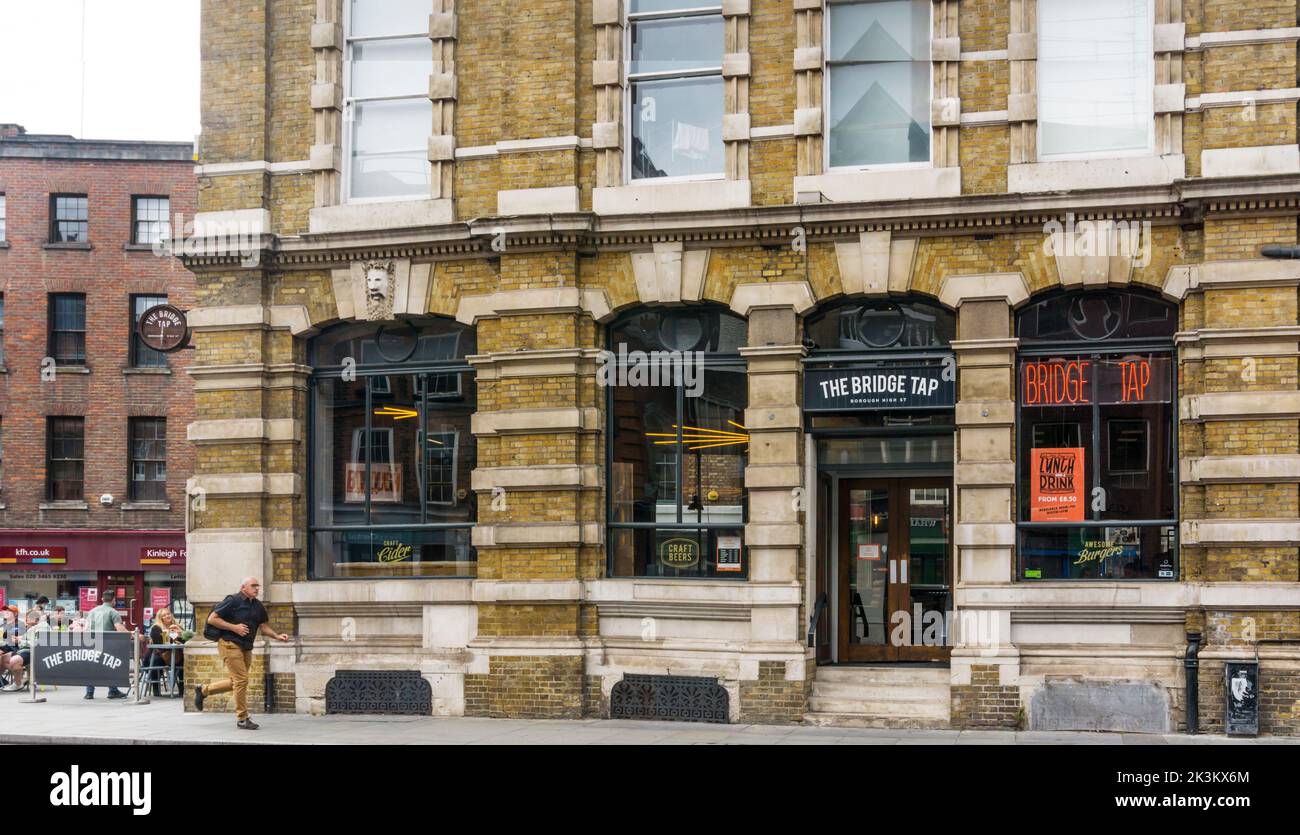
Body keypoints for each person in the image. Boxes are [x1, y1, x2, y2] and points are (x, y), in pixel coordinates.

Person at [195, 577, 288, 730]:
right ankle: (242, 718)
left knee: (236, 681)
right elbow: (212, 619)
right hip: (229, 644)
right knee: (242, 681)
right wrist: (234, 627)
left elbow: (263, 627)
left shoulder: (258, 606)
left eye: (258, 586)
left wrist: (277, 636)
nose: (257, 588)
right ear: (243, 587)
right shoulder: (233, 601)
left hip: (246, 647)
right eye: (253, 586)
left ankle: (204, 690)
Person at [84, 590, 129, 700]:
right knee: (111, 665)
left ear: (102, 599)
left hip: (92, 642)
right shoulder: (113, 612)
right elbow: (120, 629)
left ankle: (89, 692)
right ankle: (112, 691)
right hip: (108, 643)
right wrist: (132, 634)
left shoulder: (92, 611)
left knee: (92, 666)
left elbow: (86, 628)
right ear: (114, 600)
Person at [3, 610, 49, 691]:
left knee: (14, 661)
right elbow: (25, 639)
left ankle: (18, 683)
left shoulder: (43, 627)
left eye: (28, 618)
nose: (26, 620)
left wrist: (20, 641)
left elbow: (37, 643)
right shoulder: (31, 627)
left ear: (35, 619)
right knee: (3, 658)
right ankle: (22, 678)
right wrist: (19, 639)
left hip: (34, 651)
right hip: (24, 650)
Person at [146, 608, 186, 696]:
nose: (167, 616)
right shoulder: (156, 628)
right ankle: (156, 690)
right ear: (161, 618)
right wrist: (171, 637)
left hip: (176, 655)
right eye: (164, 615)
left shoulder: (177, 626)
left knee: (184, 662)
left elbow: (185, 641)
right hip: (160, 654)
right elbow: (159, 643)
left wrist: (180, 633)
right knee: (156, 661)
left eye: (168, 614)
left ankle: (182, 689)